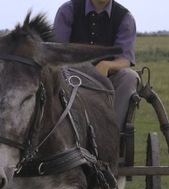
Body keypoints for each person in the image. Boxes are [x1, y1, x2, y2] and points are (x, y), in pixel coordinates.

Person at [53, 0, 140, 130]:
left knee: (129, 77)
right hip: (70, 77)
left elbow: (124, 60)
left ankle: (112, 130)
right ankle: (61, 125)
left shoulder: (124, 17)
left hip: (108, 80)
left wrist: (107, 65)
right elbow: (58, 52)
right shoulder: (68, 10)